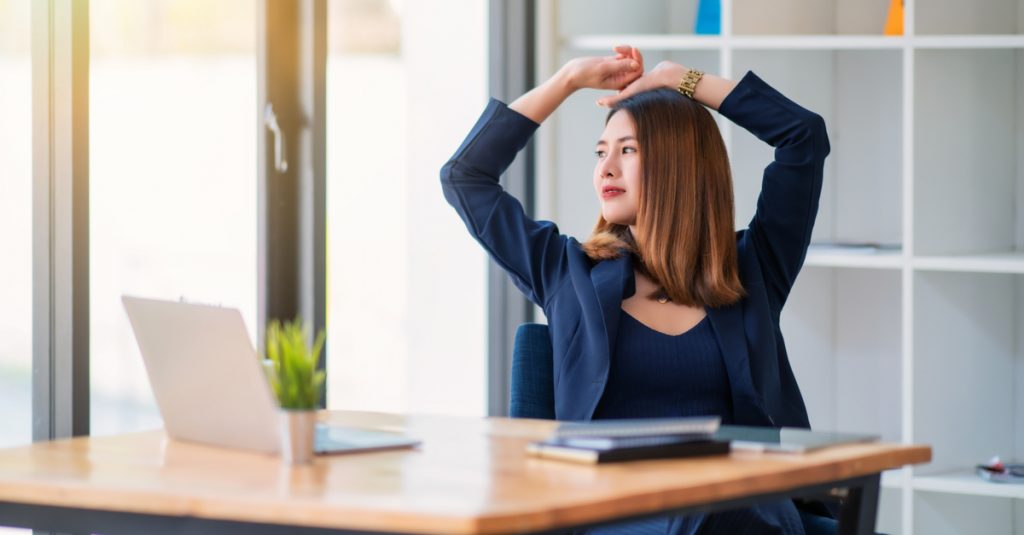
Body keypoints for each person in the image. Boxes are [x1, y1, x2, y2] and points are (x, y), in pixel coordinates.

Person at [440, 45, 832, 534]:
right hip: (613, 513)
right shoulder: (566, 271)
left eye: (627, 151)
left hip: (737, 507)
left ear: (679, 163)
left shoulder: (752, 269)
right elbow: (465, 177)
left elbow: (802, 137)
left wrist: (680, 79)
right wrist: (567, 79)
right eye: (601, 152)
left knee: (725, 511)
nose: (606, 169)